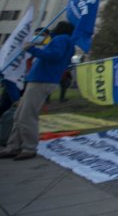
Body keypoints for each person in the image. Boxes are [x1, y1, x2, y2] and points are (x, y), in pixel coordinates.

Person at [0, 21, 75, 161]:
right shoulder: (64, 40)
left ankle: (29, 148)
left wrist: (32, 49)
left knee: (27, 116)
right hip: (40, 79)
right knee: (19, 115)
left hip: (42, 80)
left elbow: (54, 55)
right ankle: (13, 146)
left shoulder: (62, 39)